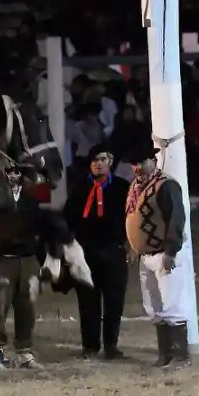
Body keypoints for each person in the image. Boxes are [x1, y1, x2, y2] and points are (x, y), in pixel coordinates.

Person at [123, 143, 189, 368]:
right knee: (154, 305)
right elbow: (134, 219)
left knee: (172, 303)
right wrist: (134, 246)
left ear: (153, 161)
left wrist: (171, 250)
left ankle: (179, 355)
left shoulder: (166, 185)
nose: (137, 167)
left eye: (142, 162)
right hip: (146, 255)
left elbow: (176, 218)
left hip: (163, 253)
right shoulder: (136, 187)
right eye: (134, 164)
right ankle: (165, 354)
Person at [63, 145, 131, 360]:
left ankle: (111, 345)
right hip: (86, 252)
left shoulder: (122, 188)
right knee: (87, 301)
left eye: (102, 159)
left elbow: (132, 219)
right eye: (94, 160)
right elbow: (67, 219)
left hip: (114, 250)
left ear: (110, 161)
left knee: (114, 300)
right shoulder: (80, 188)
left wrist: (131, 245)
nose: (98, 164)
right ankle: (90, 346)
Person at [0, 167, 44, 371]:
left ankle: (25, 352)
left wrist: (40, 259)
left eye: (16, 172)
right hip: (2, 260)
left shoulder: (31, 199)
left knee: (27, 308)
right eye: (9, 172)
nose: (12, 176)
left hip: (28, 259)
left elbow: (39, 228)